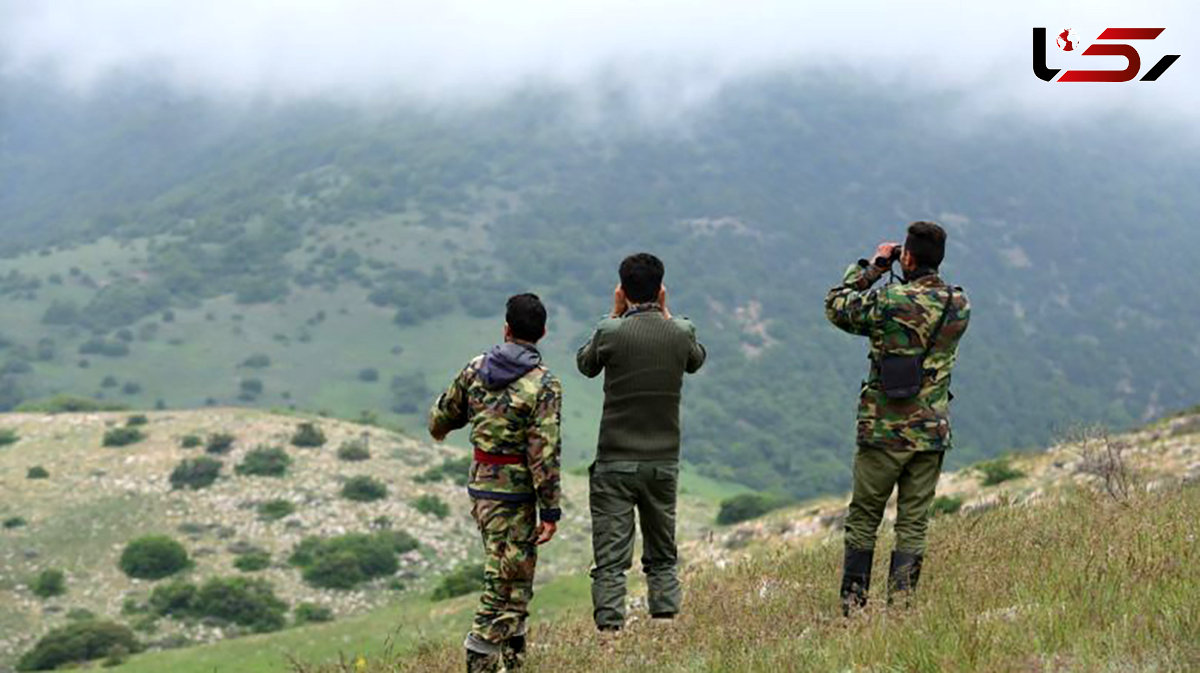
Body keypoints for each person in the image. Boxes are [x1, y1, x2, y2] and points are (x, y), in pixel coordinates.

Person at [824, 221, 971, 614]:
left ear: (905, 257)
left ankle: (853, 610)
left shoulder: (889, 301)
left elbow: (836, 304)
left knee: (864, 519)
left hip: (884, 432)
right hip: (930, 433)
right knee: (913, 522)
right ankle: (901, 609)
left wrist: (871, 268)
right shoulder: (959, 304)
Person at [428, 293, 562, 673]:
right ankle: (481, 660)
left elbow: (441, 417)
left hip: (482, 489)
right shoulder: (544, 384)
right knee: (503, 587)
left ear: (506, 329)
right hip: (516, 495)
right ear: (543, 333)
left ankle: (515, 664)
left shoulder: (475, 368)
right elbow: (545, 452)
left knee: (512, 577)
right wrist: (550, 509)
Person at [576, 252, 707, 632]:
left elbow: (585, 365)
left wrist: (616, 314)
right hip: (663, 462)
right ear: (662, 290)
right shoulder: (681, 332)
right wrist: (665, 315)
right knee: (662, 554)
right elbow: (695, 360)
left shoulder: (610, 331)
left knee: (611, 560)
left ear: (622, 291)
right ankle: (664, 629)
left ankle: (610, 637)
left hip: (614, 462)